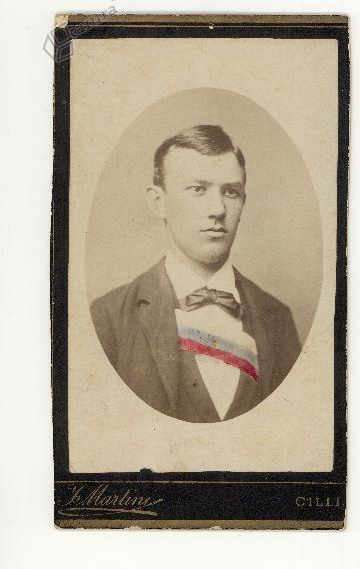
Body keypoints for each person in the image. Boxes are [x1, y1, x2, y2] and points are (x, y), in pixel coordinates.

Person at [91, 125, 301, 422]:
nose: (218, 209)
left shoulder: (277, 317)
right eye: (198, 189)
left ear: (243, 202)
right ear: (158, 202)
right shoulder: (108, 317)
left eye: (230, 192)